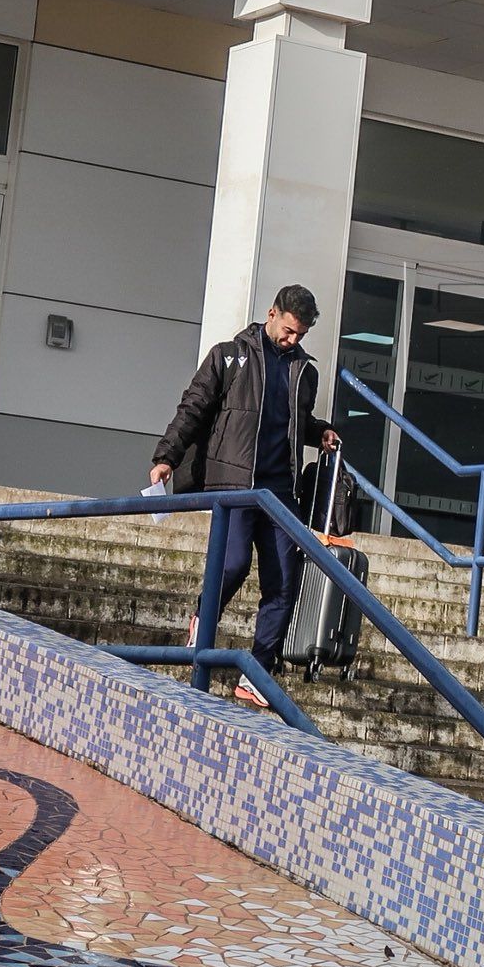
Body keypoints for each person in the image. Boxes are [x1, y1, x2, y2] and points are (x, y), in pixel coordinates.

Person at [151, 285, 339, 706]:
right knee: (233, 563)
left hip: (280, 491)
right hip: (233, 484)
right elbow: (193, 408)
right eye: (289, 330)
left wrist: (321, 431)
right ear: (272, 314)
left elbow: (296, 421)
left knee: (283, 580)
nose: (293, 340)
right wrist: (166, 457)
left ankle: (258, 672)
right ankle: (202, 624)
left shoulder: (304, 372)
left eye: (301, 335)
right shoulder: (228, 357)